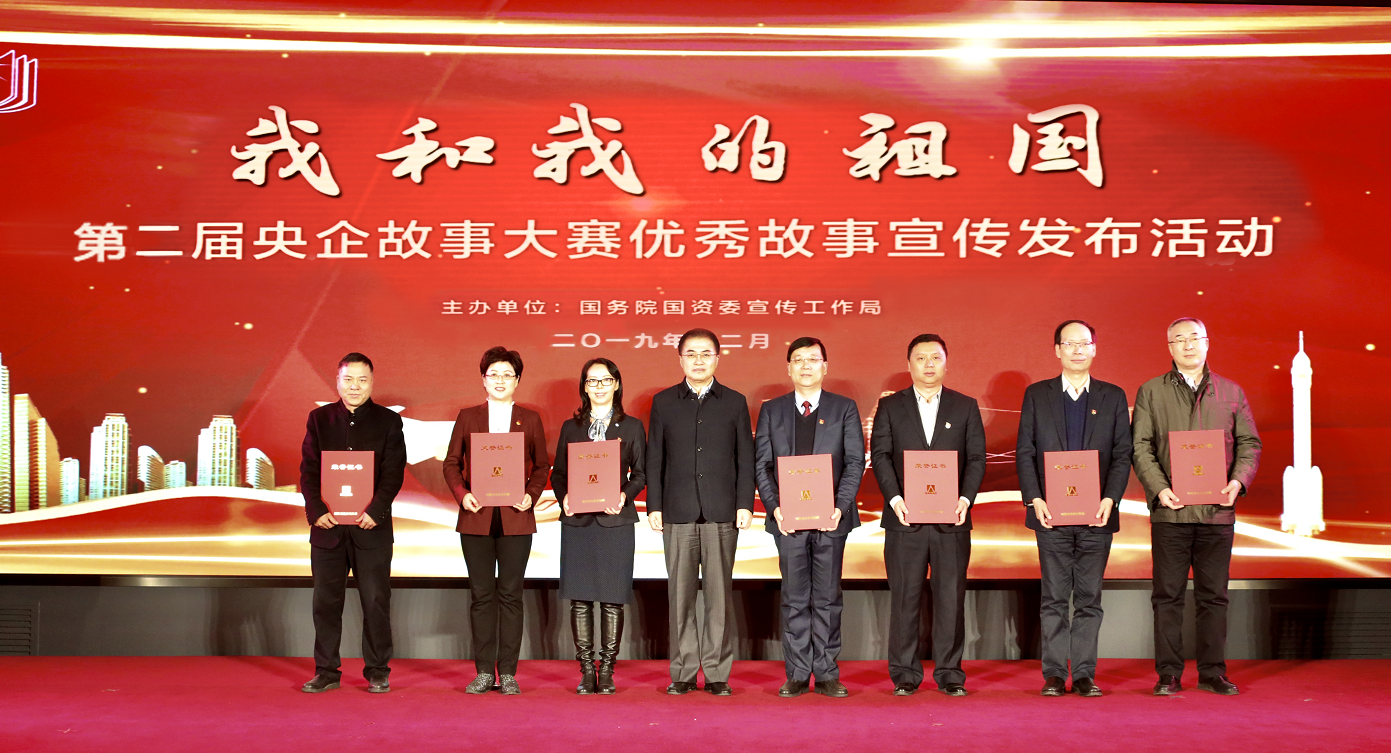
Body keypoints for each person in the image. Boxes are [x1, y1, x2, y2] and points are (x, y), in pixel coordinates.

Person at [1133, 318, 1260, 696]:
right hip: (1170, 512)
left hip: (1217, 513)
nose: (1188, 345)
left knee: (1214, 596)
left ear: (1207, 343)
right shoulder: (1151, 391)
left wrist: (1238, 482)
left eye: (1194, 338)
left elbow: (1249, 444)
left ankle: (1213, 672)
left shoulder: (1231, 392)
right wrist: (1160, 489)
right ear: (1169, 348)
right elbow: (1140, 447)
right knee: (1167, 596)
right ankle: (1168, 673)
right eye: (1179, 340)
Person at [1015, 320, 1132, 698]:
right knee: (1053, 598)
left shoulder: (1113, 396)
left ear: (1094, 348)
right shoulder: (1038, 395)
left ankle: (1083, 674)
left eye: (1085, 343)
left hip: (1097, 514)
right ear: (1057, 350)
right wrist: (1035, 498)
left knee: (1088, 599)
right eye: (1070, 344)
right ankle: (1053, 674)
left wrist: (1110, 498)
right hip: (1050, 514)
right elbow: (1025, 451)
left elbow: (1122, 454)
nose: (1078, 350)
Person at [871, 333, 986, 697]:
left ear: (946, 363)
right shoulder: (891, 407)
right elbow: (881, 456)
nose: (928, 364)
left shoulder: (964, 406)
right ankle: (904, 674)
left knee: (950, 599)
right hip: (904, 520)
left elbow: (976, 458)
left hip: (952, 520)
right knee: (904, 599)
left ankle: (950, 673)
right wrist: (895, 499)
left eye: (935, 357)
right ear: (909, 365)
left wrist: (965, 499)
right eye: (921, 358)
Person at [646, 328, 755, 696]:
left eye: (706, 353)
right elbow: (655, 458)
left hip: (722, 511)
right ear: (680, 359)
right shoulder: (663, 402)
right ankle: (683, 671)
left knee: (719, 597)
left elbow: (745, 458)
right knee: (680, 596)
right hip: (677, 511)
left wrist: (744, 503)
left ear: (717, 359)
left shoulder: (735, 402)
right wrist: (654, 505)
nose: (698, 360)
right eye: (691, 353)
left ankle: (718, 672)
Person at [754, 336, 864, 698]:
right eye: (798, 359)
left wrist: (840, 506)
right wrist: (775, 507)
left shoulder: (844, 408)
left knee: (828, 597)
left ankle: (827, 672)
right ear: (788, 368)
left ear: (825, 367)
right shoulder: (772, 410)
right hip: (788, 520)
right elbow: (762, 464)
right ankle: (798, 673)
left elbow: (854, 462)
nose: (806, 365)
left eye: (813, 359)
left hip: (831, 518)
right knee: (795, 597)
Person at [443, 346, 551, 695]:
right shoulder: (468, 417)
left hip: (516, 518)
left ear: (517, 380)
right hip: (476, 516)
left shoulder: (530, 419)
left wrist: (531, 495)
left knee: (511, 596)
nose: (500, 380)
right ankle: (483, 672)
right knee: (481, 595)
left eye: (508, 374)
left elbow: (542, 466)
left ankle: (507, 672)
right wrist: (462, 494)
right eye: (494, 374)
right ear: (483, 379)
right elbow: (451, 463)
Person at [299, 352, 406, 694]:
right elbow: (308, 469)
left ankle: (377, 670)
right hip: (327, 528)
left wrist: (377, 510)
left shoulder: (389, 421)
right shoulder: (319, 420)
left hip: (371, 529)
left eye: (362, 380)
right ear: (337, 381)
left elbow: (393, 472)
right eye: (348, 379)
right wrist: (316, 510)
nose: (355, 386)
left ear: (372, 382)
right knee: (325, 603)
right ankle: (326, 671)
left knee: (375, 602)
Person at [550, 358, 646, 695]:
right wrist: (563, 497)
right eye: (592, 381)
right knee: (580, 599)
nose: (599, 386)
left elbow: (641, 474)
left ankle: (607, 669)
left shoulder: (632, 427)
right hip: (578, 522)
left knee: (611, 598)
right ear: (584, 387)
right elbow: (558, 474)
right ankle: (586, 670)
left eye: (606, 380)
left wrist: (623, 494)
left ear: (616, 384)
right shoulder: (570, 427)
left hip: (615, 520)